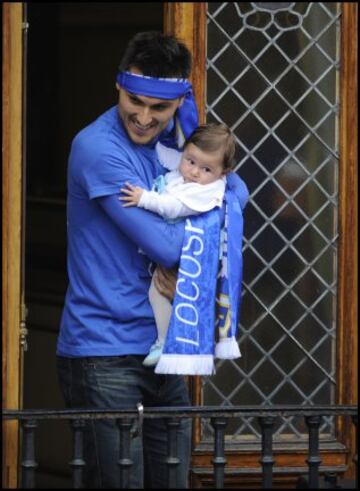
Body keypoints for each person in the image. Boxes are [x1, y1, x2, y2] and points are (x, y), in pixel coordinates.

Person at [56, 31, 196, 489]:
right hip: (104, 351)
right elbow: (169, 248)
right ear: (118, 85)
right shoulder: (97, 147)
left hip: (165, 348)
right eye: (135, 100)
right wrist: (194, 242)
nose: (143, 116)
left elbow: (234, 194)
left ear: (180, 100)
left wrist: (193, 130)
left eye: (160, 107)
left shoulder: (179, 146)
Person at [119, 123, 236, 367]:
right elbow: (165, 154)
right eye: (191, 161)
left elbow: (174, 207)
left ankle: (164, 342)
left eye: (206, 169)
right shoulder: (188, 171)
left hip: (191, 256)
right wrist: (161, 134)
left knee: (159, 291)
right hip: (178, 249)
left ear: (223, 172)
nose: (194, 172)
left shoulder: (206, 191)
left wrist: (144, 199)